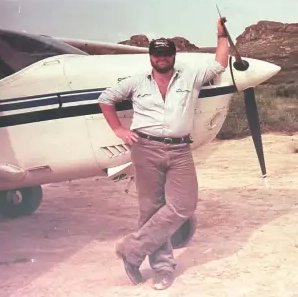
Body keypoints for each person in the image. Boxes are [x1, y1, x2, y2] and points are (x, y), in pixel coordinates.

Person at [98, 17, 229, 290]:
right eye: (157, 54)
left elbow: (219, 64)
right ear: (151, 57)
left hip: (180, 149)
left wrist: (221, 36)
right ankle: (163, 269)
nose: (162, 58)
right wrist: (119, 130)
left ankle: (131, 250)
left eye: (167, 54)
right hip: (145, 148)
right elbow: (106, 99)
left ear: (173, 55)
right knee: (150, 209)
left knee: (184, 205)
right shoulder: (136, 82)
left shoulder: (190, 76)